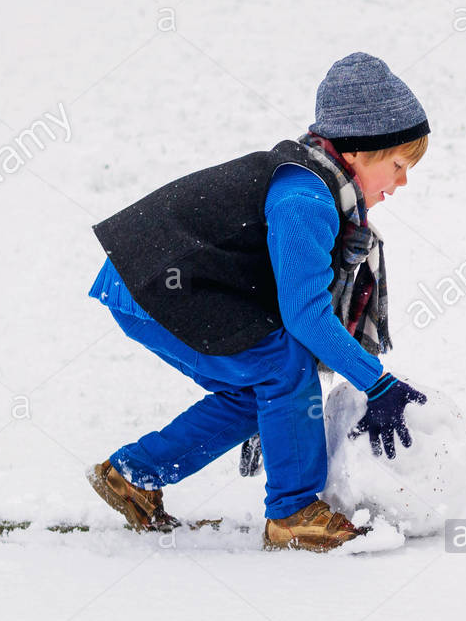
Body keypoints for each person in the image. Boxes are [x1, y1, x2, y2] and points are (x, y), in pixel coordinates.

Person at [85, 52, 429, 552]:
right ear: (357, 151)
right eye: (398, 165)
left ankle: (132, 474)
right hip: (155, 283)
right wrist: (377, 385)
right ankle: (294, 513)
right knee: (282, 367)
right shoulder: (305, 199)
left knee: (260, 389)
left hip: (157, 282)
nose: (401, 183)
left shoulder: (319, 186)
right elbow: (305, 314)